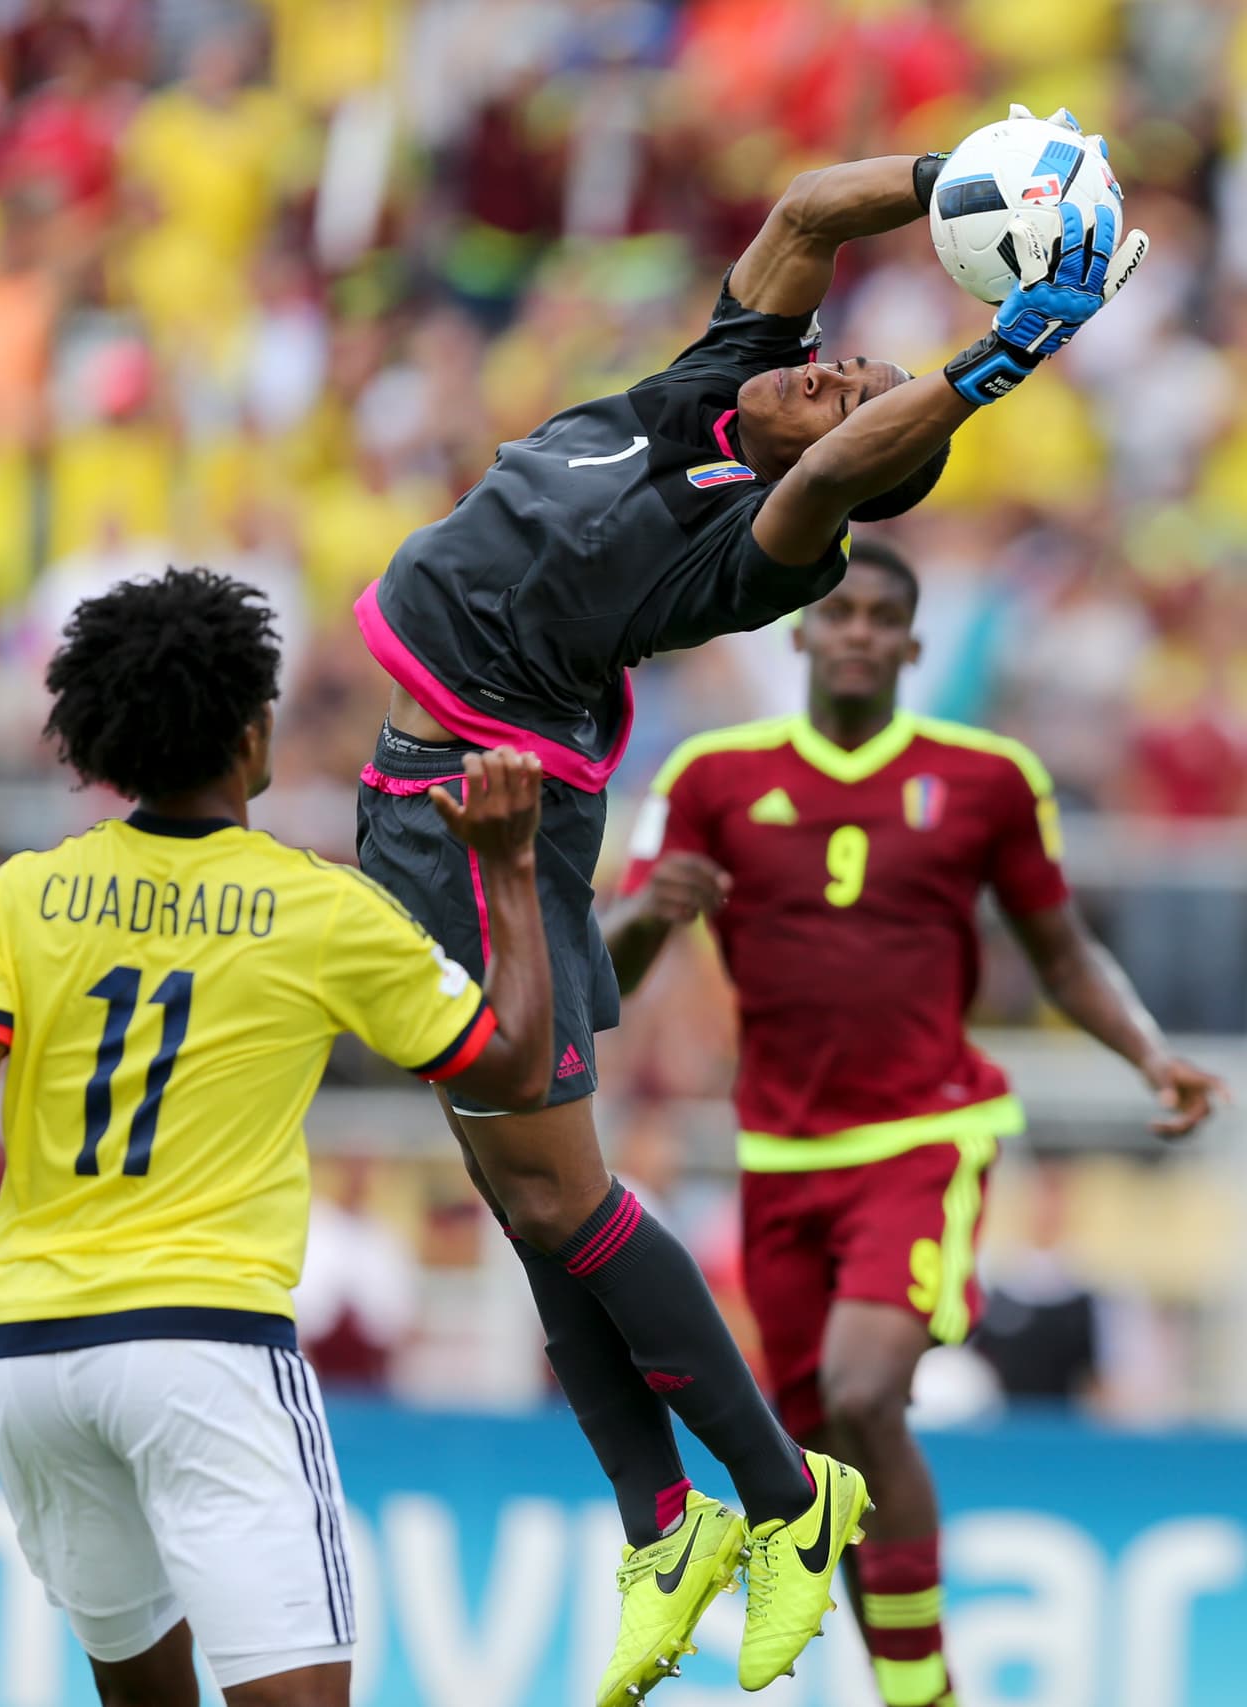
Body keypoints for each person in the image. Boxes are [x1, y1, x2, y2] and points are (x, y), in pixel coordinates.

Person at [352, 109, 1148, 1701]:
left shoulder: (754, 546)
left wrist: (1003, 357)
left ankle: (790, 1499)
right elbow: (804, 213)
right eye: (837, 360)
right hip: (426, 796)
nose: (832, 371)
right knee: (527, 1216)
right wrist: (969, 177)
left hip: (483, 817)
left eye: (852, 387)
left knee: (563, 1197)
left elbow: (857, 459)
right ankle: (665, 1525)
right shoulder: (705, 389)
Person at [604, 539, 1224, 1707]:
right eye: (838, 614)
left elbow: (1060, 950)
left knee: (859, 1390)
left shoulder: (984, 779)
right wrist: (649, 918)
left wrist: (1148, 1054)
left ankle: (920, 1687)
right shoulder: (709, 778)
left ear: (912, 644)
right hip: (776, 1155)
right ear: (797, 632)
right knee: (821, 1459)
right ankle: (909, 1686)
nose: (856, 633)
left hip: (922, 1138)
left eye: (882, 617)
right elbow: (615, 967)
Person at [0, 568, 553, 1707]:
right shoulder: (314, 906)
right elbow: (516, 1068)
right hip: (205, 1345)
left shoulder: (22, 897)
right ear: (250, 736)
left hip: (36, 1356)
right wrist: (511, 869)